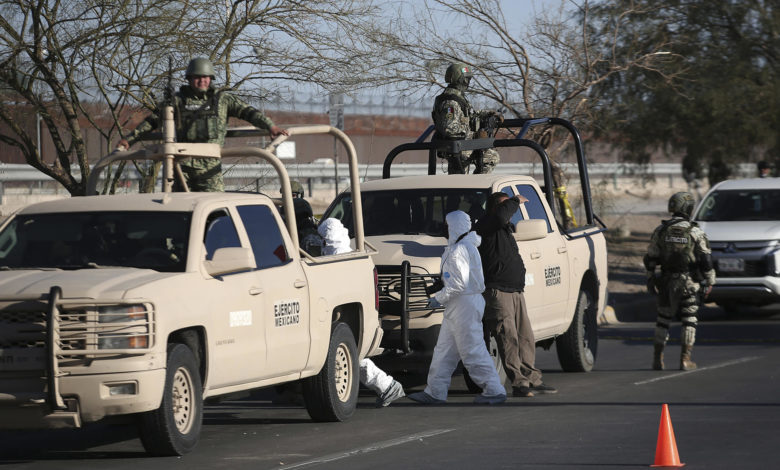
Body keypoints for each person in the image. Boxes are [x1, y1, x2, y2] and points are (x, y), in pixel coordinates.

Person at [117, 57, 289, 192]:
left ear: (211, 79)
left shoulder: (222, 100)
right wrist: (128, 140)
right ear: (189, 79)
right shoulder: (176, 101)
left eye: (205, 77)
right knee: (181, 211)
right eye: (197, 78)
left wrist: (270, 127)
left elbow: (249, 112)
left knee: (214, 209)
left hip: (210, 165)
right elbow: (151, 122)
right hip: (181, 164)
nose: (202, 81)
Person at [407, 210, 507, 405]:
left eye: (447, 224)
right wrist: (441, 284)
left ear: (454, 226)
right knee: (444, 350)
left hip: (464, 304)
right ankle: (435, 391)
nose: (444, 228)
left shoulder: (459, 249)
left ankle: (494, 389)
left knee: (472, 349)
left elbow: (459, 284)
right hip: (460, 304)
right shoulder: (463, 247)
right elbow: (457, 279)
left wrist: (439, 297)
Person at [475, 192, 557, 397]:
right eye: (506, 206)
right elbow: (501, 216)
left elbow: (504, 219)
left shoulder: (503, 228)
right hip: (498, 291)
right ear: (495, 208)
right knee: (507, 337)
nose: (511, 212)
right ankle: (519, 383)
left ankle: (532, 379)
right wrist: (515, 201)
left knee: (525, 337)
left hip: (515, 291)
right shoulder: (487, 225)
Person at [318, 217, 405, 407]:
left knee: (350, 355)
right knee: (352, 354)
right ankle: (388, 386)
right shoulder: (350, 255)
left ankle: (388, 386)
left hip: (343, 315)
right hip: (349, 314)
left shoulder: (336, 258)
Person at [644, 192, 716, 371]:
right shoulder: (695, 232)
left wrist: (650, 279)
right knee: (689, 319)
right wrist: (710, 281)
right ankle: (685, 359)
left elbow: (650, 258)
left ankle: (657, 359)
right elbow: (706, 261)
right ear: (688, 209)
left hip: (666, 282)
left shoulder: (660, 230)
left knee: (663, 319)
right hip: (689, 283)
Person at [431, 62, 501, 174]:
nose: (468, 82)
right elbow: (450, 129)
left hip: (462, 145)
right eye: (466, 79)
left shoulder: (458, 98)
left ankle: (475, 187)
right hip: (456, 147)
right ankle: (476, 187)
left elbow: (469, 115)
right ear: (460, 80)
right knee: (491, 158)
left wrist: (489, 114)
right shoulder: (450, 102)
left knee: (489, 158)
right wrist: (474, 135)